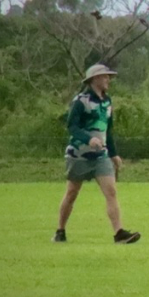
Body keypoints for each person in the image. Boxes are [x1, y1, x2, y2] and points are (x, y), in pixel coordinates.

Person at [53, 64, 140, 245]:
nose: (108, 80)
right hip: (79, 155)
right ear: (94, 79)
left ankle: (119, 234)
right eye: (104, 77)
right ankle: (60, 230)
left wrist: (114, 154)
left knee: (111, 192)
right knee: (71, 193)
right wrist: (88, 139)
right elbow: (72, 126)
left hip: (101, 156)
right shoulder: (80, 101)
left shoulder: (107, 102)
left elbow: (108, 131)